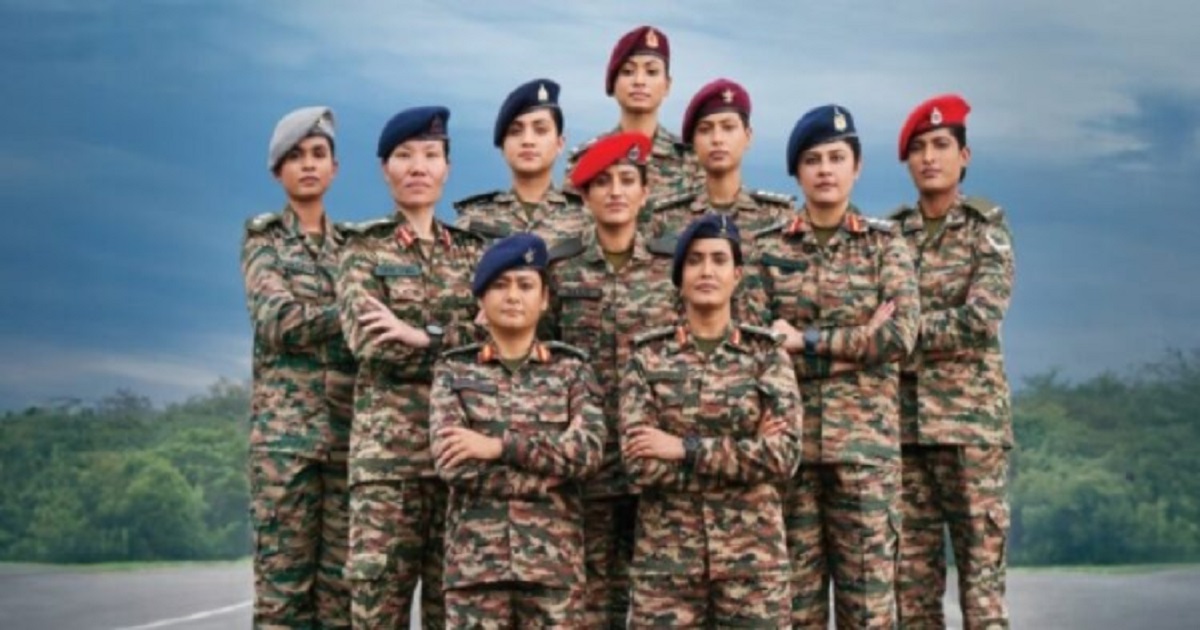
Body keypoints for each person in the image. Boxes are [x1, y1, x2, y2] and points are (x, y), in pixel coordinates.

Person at [752, 104, 918, 628]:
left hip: (865, 455)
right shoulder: (765, 250)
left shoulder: (885, 246)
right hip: (791, 455)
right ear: (796, 172)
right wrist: (859, 352)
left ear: (857, 167)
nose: (825, 170)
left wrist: (805, 341)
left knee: (869, 610)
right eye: (813, 160)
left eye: (837, 158)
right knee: (794, 610)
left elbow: (898, 337)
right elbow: (758, 351)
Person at [335, 106, 484, 629]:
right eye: (404, 155)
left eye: (430, 155)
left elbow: (493, 345)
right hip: (388, 468)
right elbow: (372, 343)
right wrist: (455, 341)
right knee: (378, 612)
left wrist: (422, 336)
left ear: (447, 167)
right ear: (385, 169)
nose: (418, 166)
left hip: (458, 461)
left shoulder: (473, 257)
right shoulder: (360, 251)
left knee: (457, 612)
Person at [619, 214, 803, 627]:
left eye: (719, 260)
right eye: (695, 260)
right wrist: (745, 454)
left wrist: (682, 448)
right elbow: (640, 463)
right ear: (679, 277)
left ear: (737, 275)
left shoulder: (766, 355)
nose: (707, 271)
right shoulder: (646, 357)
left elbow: (783, 456)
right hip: (667, 566)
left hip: (752, 562)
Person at [430, 233, 605, 628]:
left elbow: (588, 453)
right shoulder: (454, 371)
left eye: (525, 286)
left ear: (544, 299)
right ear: (480, 300)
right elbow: (453, 464)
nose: (512, 296)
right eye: (500, 285)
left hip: (553, 569)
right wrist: (552, 474)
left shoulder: (572, 370)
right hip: (476, 569)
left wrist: (499, 447)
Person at [890, 94, 1016, 630]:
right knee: (911, 588)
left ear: (963, 156)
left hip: (971, 429)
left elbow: (980, 318)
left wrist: (904, 331)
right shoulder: (891, 236)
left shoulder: (987, 230)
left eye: (941, 145)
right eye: (919, 148)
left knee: (981, 586)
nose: (929, 158)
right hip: (903, 429)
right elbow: (872, 317)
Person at [545, 131, 677, 628]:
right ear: (585, 195)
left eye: (627, 180)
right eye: (602, 182)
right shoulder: (560, 268)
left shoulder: (673, 266)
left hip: (657, 462)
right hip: (588, 467)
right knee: (590, 600)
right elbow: (544, 357)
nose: (616, 191)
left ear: (645, 192)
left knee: (661, 600)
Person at [241, 105, 353, 629]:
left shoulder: (353, 248)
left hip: (346, 439)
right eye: (295, 156)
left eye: (318, 154)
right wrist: (351, 313)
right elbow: (277, 320)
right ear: (277, 171)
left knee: (340, 597)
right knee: (283, 595)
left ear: (334, 167)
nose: (308, 164)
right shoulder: (263, 240)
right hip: (285, 445)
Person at [564, 25, 703, 216]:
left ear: (667, 85)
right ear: (613, 83)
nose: (639, 81)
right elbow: (570, 225)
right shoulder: (585, 159)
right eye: (628, 72)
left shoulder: (692, 161)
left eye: (651, 72)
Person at [647, 78, 792, 242]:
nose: (717, 139)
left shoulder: (779, 218)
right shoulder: (665, 218)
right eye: (705, 129)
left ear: (748, 137)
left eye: (728, 128)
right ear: (693, 142)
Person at [454, 78, 588, 244]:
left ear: (560, 143)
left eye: (540, 130)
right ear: (503, 146)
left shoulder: (587, 217)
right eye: (515, 131)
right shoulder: (473, 218)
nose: (527, 140)